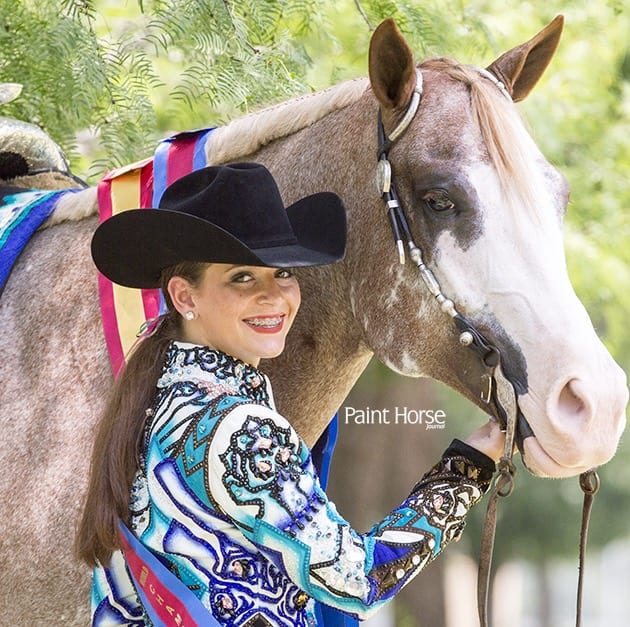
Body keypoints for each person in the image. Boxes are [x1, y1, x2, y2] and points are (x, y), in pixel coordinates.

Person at [76, 162, 505, 626]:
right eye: (243, 277)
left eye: (282, 273)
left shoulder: (146, 403)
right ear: (185, 296)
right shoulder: (242, 430)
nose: (274, 297)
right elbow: (357, 578)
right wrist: (467, 469)